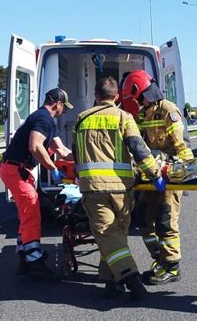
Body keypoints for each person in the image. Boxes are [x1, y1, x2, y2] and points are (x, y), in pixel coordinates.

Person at [74, 77, 165, 300]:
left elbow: (76, 155)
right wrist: (155, 174)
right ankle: (130, 279)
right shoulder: (124, 117)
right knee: (115, 234)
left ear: (96, 96)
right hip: (121, 189)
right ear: (116, 97)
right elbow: (138, 148)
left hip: (92, 187)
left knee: (108, 235)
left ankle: (111, 280)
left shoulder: (81, 119)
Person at [121, 70, 194, 285]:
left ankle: (171, 266)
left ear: (141, 91)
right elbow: (141, 146)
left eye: (137, 97)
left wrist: (183, 172)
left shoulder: (168, 110)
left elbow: (182, 145)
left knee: (165, 221)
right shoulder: (143, 114)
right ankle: (160, 260)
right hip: (151, 175)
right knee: (144, 221)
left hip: (169, 175)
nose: (137, 102)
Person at [0, 88, 73, 280]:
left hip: (17, 170)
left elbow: (62, 149)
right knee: (32, 211)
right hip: (16, 170)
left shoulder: (48, 121)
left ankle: (24, 258)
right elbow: (35, 146)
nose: (64, 111)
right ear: (57, 103)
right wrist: (52, 169)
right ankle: (34, 261)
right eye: (64, 107)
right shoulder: (43, 118)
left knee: (26, 214)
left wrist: (80, 159)